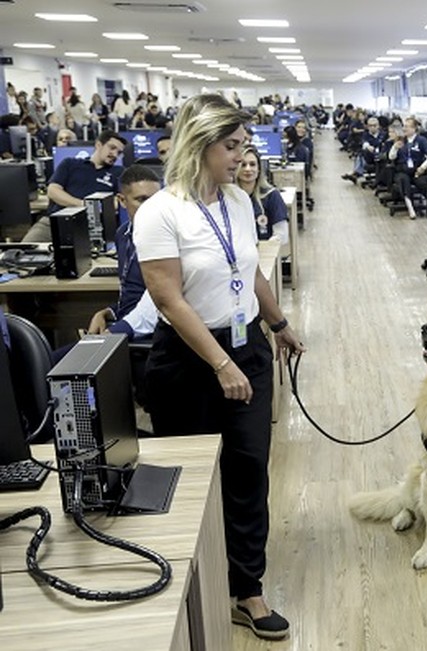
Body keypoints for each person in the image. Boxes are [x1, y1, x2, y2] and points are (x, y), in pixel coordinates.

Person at [133, 93, 303, 641]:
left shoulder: (235, 199)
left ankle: (246, 589)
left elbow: (246, 268)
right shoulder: (162, 211)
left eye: (243, 146)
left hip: (245, 349)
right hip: (188, 361)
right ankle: (189, 584)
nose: (240, 156)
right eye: (231, 146)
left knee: (249, 470)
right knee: (191, 481)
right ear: (200, 144)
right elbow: (167, 298)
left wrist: (276, 324)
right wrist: (220, 362)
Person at [87, 164, 162, 339]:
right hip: (124, 325)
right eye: (142, 199)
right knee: (51, 360)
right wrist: (107, 313)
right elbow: (132, 296)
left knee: (56, 361)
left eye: (156, 199)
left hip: (147, 333)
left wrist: (114, 333)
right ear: (121, 200)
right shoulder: (123, 234)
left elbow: (159, 302)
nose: (151, 207)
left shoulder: (165, 241)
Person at [22, 129, 126, 242]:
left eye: (119, 152)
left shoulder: (119, 172)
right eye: (112, 148)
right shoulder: (70, 164)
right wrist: (84, 205)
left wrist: (93, 210)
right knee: (21, 251)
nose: (115, 154)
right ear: (98, 145)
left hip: (89, 227)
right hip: (54, 223)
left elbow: (118, 201)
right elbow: (53, 191)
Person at [237, 145, 289, 246]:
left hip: (264, 253)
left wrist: (266, 247)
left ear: (259, 169)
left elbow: (282, 235)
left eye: (252, 164)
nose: (248, 169)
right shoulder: (228, 197)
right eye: (243, 165)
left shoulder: (271, 195)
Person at [389, 117, 427, 219]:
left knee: (425, 183)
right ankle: (410, 208)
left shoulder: (421, 140)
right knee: (403, 180)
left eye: (407, 127)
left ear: (414, 129)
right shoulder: (401, 140)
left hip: (416, 171)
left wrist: (423, 168)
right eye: (404, 126)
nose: (404, 129)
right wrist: (395, 148)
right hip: (402, 170)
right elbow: (391, 157)